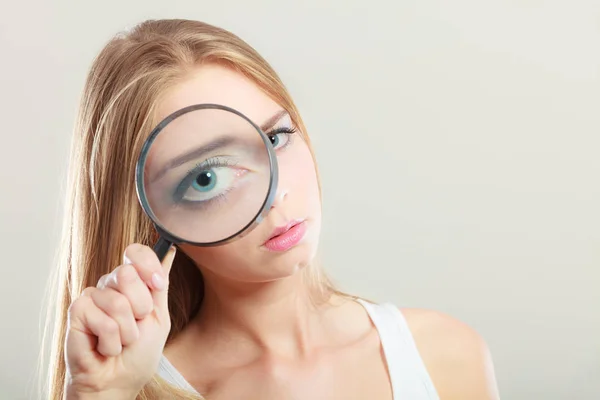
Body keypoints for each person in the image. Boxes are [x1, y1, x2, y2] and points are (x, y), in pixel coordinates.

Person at [44, 18, 500, 400]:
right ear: (153, 217)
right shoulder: (134, 387)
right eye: (209, 177)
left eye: (276, 138)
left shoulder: (444, 355)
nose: (276, 193)